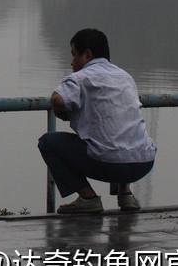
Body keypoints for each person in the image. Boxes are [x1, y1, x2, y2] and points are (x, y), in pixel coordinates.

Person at [38, 28, 156, 214]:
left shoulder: (81, 77)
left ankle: (88, 197)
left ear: (87, 54)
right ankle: (125, 195)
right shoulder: (125, 77)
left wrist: (63, 111)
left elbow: (57, 100)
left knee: (47, 143)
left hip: (110, 164)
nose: (71, 62)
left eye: (74, 55)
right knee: (119, 131)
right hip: (144, 162)